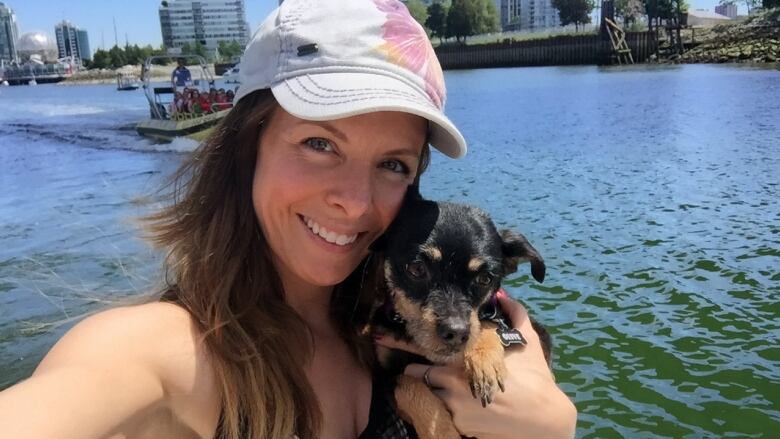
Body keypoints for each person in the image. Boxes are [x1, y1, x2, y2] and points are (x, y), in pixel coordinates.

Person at [0, 1, 576, 438]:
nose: (354, 201)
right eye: (320, 143)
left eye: (393, 163)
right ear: (247, 146)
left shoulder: (380, 323)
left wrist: (549, 418)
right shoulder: (169, 351)